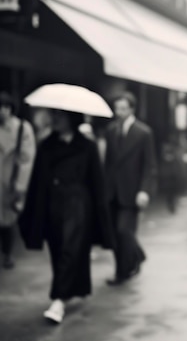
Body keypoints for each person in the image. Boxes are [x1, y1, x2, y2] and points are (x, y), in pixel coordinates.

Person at [18, 109, 116, 323]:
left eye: (59, 117)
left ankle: (58, 300)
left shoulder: (87, 146)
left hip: (79, 204)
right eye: (53, 116)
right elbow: (38, 180)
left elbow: (97, 182)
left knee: (70, 249)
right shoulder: (46, 146)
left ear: (71, 119)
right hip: (52, 204)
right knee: (57, 248)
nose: (55, 120)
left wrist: (102, 216)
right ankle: (71, 289)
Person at [103, 92, 156, 286]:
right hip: (112, 190)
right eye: (117, 108)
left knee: (123, 231)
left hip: (132, 191)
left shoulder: (143, 133)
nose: (119, 112)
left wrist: (144, 190)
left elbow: (149, 165)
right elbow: (108, 162)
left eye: (123, 108)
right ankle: (125, 268)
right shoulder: (110, 130)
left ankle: (128, 265)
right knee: (114, 234)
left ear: (132, 109)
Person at [0, 91, 36, 269]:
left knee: (7, 221)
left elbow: (26, 158)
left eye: (6, 107)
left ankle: (7, 254)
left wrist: (20, 185)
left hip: (9, 181)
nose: (2, 112)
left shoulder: (22, 128)